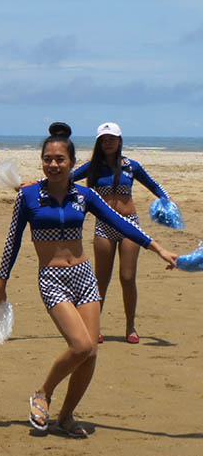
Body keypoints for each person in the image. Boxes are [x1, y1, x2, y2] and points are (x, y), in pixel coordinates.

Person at [0, 123, 176, 438]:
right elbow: (14, 240)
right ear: (42, 161)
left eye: (60, 159)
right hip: (53, 278)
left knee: (91, 353)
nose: (54, 164)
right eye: (48, 159)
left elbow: (121, 223)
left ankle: (65, 418)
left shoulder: (85, 195)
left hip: (84, 276)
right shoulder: (28, 197)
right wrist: (1, 282)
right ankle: (43, 393)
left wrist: (157, 248)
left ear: (72, 163)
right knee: (80, 345)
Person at [71, 122, 173, 344]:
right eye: (103, 139)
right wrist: (35, 185)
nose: (107, 143)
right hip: (104, 226)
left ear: (119, 141)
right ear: (99, 142)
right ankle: (94, 325)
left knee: (127, 277)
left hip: (130, 224)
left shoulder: (131, 166)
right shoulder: (93, 167)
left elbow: (154, 185)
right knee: (102, 279)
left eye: (111, 139)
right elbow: (63, 178)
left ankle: (130, 326)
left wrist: (168, 200)